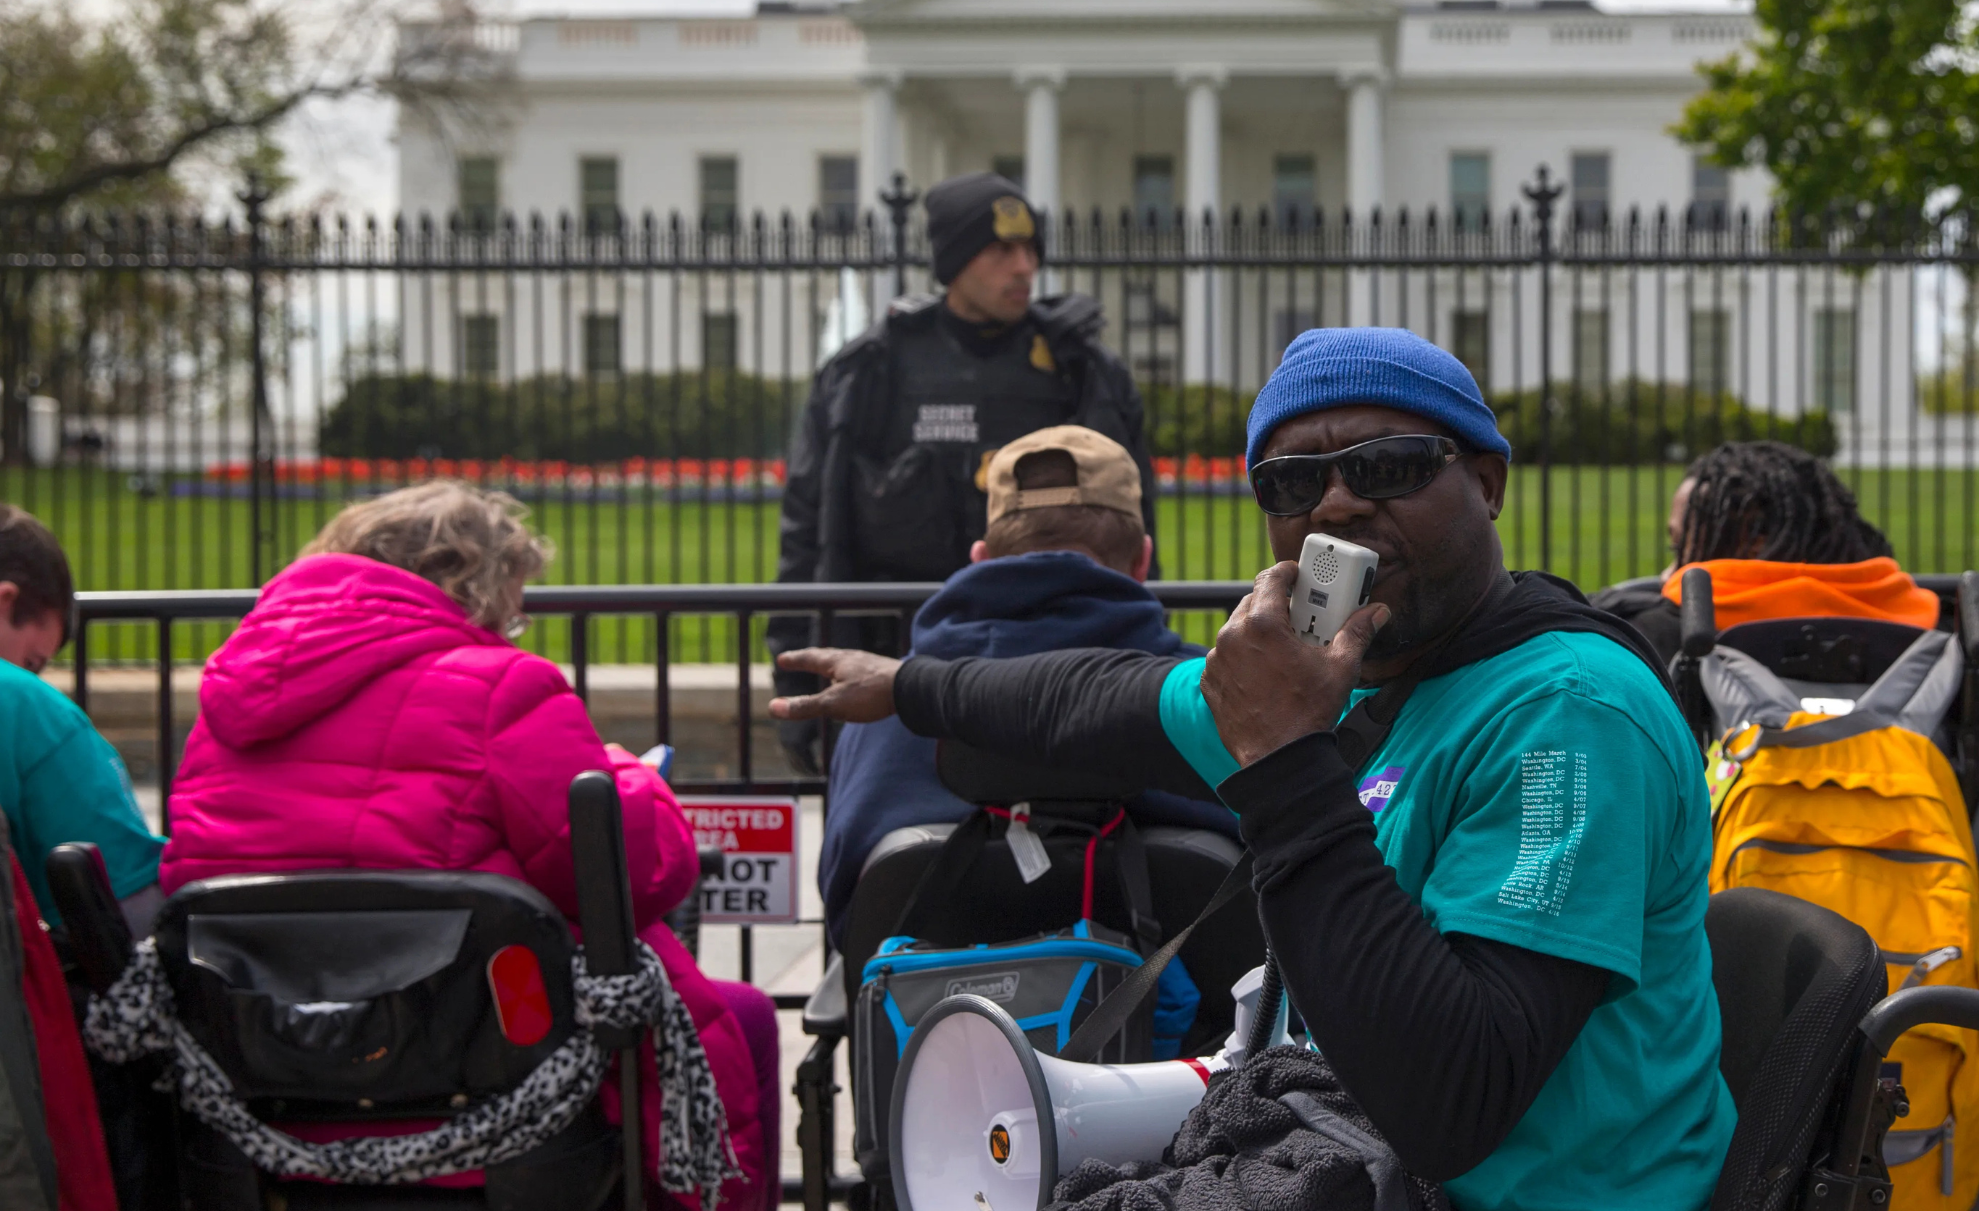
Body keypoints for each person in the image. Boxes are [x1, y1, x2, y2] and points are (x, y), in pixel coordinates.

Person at [775, 326, 1736, 1210]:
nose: (1338, 502)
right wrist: (909, 686)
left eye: (1388, 464)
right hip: (1344, 1149)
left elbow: (1454, 1103)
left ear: (1485, 482)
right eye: (1291, 481)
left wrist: (1287, 768)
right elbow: (1100, 696)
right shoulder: (1347, 681)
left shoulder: (1565, 714)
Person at [158, 482, 773, 1210]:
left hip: (268, 1090)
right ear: (475, 589)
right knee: (746, 1016)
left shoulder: (226, 706)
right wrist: (633, 782)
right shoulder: (503, 688)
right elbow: (632, 875)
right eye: (512, 614)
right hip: (491, 1099)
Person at [771, 171, 1156, 774]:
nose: (1024, 266)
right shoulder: (871, 371)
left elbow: (1133, 518)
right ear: (953, 261)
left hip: (1053, 667)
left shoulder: (1078, 368)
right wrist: (792, 662)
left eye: (1030, 249)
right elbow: (809, 522)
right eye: (1001, 250)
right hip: (892, 667)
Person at [817, 423, 1228, 949]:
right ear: (1142, 560)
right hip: (1201, 1030)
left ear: (981, 558)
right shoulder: (1209, 700)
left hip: (927, 1027)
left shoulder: (884, 706)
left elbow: (846, 912)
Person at [1596, 440, 1935, 658]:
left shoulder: (1656, 634)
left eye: (1679, 544)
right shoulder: (1932, 626)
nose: (1667, 572)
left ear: (1753, 543)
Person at [0, 504, 165, 928]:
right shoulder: (22, 704)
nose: (33, 677)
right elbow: (126, 897)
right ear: (5, 601)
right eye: (33, 662)